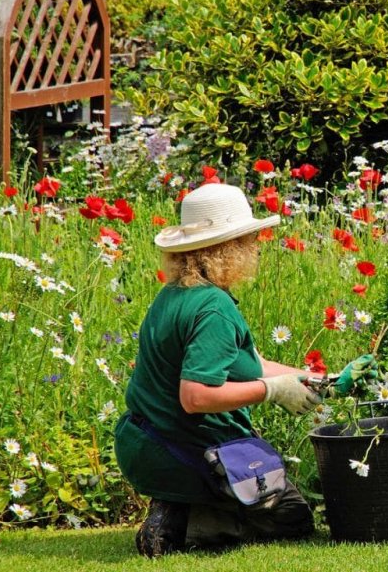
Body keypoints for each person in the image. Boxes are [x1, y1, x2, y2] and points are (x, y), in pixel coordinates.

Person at [114, 183, 374, 557]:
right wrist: (272, 391)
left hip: (144, 442)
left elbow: (251, 365)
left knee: (279, 504)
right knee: (291, 518)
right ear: (226, 248)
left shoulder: (175, 295)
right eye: (249, 240)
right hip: (181, 450)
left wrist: (327, 382)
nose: (255, 248)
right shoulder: (214, 308)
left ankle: (182, 504)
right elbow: (196, 396)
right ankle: (186, 521)